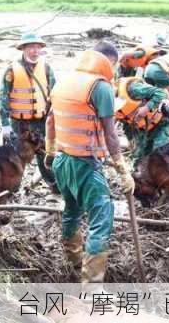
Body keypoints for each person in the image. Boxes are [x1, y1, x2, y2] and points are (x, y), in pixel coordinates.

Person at [45, 41, 135, 283]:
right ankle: (91, 286)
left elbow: (50, 122)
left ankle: (74, 262)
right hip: (85, 164)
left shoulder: (64, 81)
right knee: (101, 219)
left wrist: (50, 151)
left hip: (62, 161)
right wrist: (122, 170)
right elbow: (111, 133)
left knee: (72, 210)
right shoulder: (100, 87)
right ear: (110, 61)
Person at [0, 32, 57, 193]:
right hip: (20, 123)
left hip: (41, 120)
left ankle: (54, 185)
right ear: (23, 49)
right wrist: (4, 125)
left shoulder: (46, 68)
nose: (35, 51)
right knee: (16, 156)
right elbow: (3, 97)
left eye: (37, 47)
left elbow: (55, 93)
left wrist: (55, 116)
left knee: (45, 153)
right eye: (31, 47)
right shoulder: (11, 70)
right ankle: (11, 188)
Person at [115, 75, 169, 165]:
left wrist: (147, 108)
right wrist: (131, 140)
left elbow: (160, 93)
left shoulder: (132, 89)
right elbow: (125, 122)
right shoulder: (108, 106)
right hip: (141, 130)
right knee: (138, 161)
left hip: (160, 123)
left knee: (160, 154)